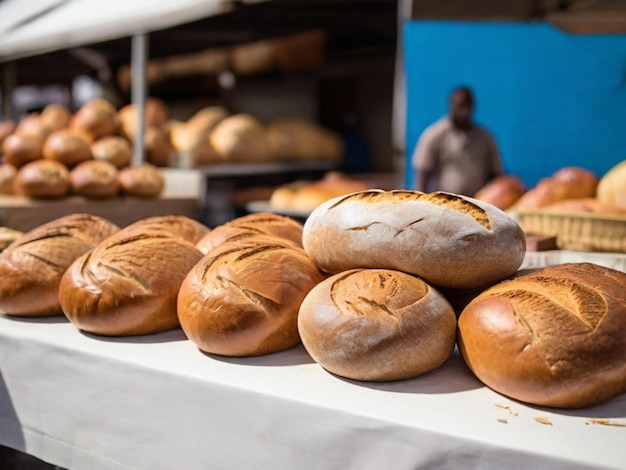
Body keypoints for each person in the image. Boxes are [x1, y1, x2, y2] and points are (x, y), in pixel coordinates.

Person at [411, 86, 503, 196]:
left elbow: (495, 174)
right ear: (450, 105)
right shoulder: (435, 135)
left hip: (477, 203)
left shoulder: (485, 137)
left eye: (465, 105)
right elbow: (423, 172)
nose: (462, 111)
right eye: (458, 105)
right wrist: (422, 201)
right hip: (446, 203)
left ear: (472, 106)